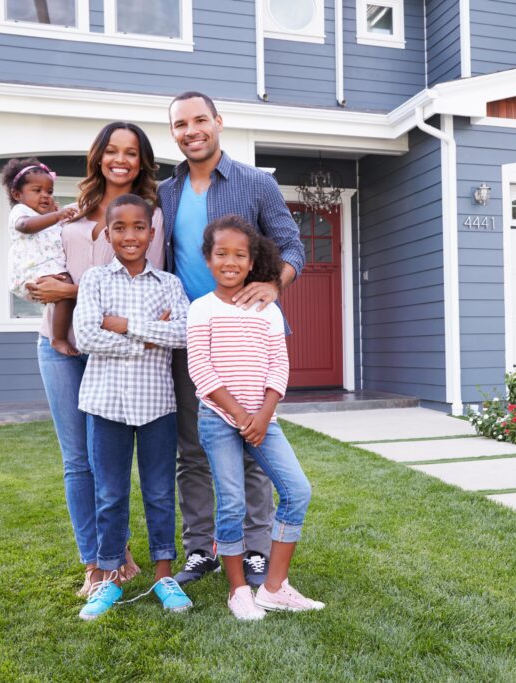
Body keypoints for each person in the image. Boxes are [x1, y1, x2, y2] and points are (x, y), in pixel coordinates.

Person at [158, 91, 305, 587]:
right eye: (180, 124)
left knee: (254, 446)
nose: (191, 130)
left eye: (200, 119)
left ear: (218, 122)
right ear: (173, 132)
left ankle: (257, 549)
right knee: (194, 449)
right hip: (194, 337)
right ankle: (201, 549)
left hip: (250, 337)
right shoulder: (165, 192)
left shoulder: (256, 183)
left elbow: (292, 246)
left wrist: (274, 283)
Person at [28, 122, 164, 596]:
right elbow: (42, 268)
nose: (120, 159)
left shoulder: (151, 217)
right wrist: (42, 286)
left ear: (142, 160)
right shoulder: (69, 210)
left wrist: (69, 288)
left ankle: (116, 548)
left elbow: (145, 291)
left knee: (111, 460)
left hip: (113, 353)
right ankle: (97, 559)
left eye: (130, 152)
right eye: (111, 150)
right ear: (98, 156)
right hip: (59, 345)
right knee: (76, 460)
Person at [188, 216, 322, 620]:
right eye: (221, 253)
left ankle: (274, 588)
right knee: (231, 503)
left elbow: (279, 367)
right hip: (218, 418)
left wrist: (263, 416)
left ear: (251, 262)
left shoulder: (268, 310)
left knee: (297, 492)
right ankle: (238, 590)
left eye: (239, 255)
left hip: (265, 419)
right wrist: (242, 415)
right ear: (208, 260)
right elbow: (201, 370)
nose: (230, 261)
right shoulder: (201, 309)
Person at [73, 194, 192, 620]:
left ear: (151, 232)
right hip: (105, 404)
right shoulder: (94, 281)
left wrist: (122, 325)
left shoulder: (170, 285)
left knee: (160, 492)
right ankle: (108, 577)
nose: (129, 235)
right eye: (119, 228)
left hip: (157, 404)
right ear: (108, 234)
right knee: (109, 493)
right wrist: (148, 335)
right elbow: (86, 336)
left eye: (138, 227)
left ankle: (164, 575)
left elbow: (182, 334)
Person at [1, 158, 78, 356]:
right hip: (33, 270)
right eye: (37, 191)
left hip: (48, 268)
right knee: (65, 291)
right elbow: (25, 226)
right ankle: (58, 338)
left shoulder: (47, 217)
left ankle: (60, 335)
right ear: (18, 194)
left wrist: (57, 216)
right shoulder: (21, 211)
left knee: (64, 292)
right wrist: (57, 215)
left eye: (49, 191)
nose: (45, 196)